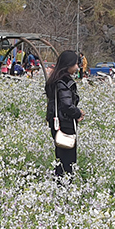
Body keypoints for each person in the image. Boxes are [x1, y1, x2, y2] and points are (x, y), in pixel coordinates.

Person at [45, 50, 83, 179]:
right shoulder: (64, 81)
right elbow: (66, 105)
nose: (77, 67)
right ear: (68, 65)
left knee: (60, 156)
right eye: (76, 64)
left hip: (56, 122)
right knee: (68, 159)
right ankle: (65, 186)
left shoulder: (54, 79)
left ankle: (59, 183)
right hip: (64, 123)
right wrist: (78, 113)